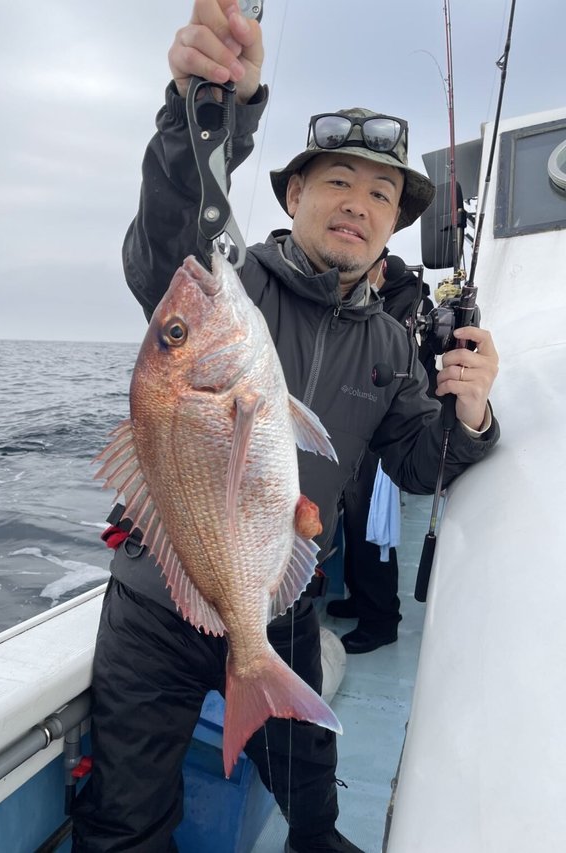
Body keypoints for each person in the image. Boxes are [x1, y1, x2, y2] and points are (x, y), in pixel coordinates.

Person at [71, 3, 500, 852]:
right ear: (294, 192)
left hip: (280, 600)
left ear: (393, 224)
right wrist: (211, 101)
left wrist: (473, 408)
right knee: (124, 820)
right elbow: (175, 223)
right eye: (337, 181)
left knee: (315, 801)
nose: (359, 204)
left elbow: (423, 459)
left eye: (381, 193)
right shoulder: (228, 283)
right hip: (158, 600)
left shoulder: (387, 339)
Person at [328, 251, 437, 653]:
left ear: (379, 268)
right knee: (358, 527)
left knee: (375, 531)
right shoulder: (385, 295)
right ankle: (360, 599)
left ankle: (381, 621)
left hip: (382, 432)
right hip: (359, 431)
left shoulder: (402, 305)